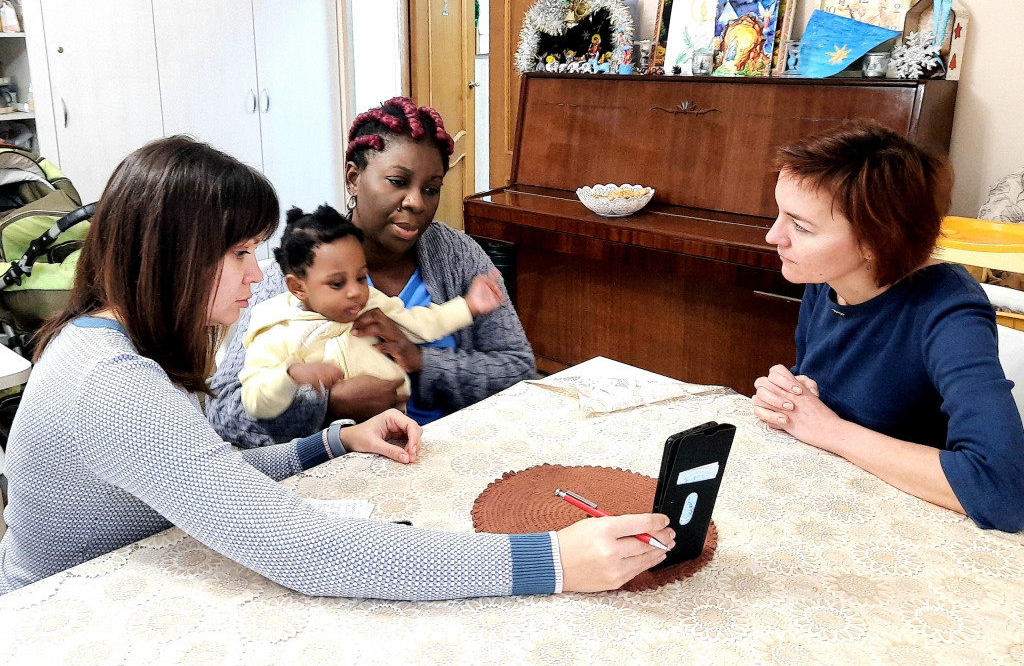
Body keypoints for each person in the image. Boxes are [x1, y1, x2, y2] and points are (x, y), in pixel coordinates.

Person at [0, 136, 674, 598]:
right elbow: (304, 550)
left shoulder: (104, 345)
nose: (254, 274)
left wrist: (332, 441)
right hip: (56, 621)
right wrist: (554, 561)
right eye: (239, 254)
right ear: (174, 257)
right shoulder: (112, 386)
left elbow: (197, 474)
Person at [208, 97, 536, 447]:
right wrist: (328, 406)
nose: (417, 202)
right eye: (398, 181)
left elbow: (518, 369)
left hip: (451, 454)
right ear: (353, 178)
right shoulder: (294, 275)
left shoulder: (458, 256)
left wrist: (421, 361)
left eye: (431, 188)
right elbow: (224, 414)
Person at [752, 122, 1024, 532]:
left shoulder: (950, 311)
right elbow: (834, 389)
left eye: (800, 226)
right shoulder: (828, 279)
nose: (774, 236)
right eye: (780, 215)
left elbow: (1002, 491)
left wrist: (829, 430)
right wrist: (790, 396)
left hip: (918, 529)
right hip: (840, 501)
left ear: (875, 241)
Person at [240, 204, 504, 419]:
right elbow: (255, 401)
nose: (355, 291)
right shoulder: (276, 330)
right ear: (298, 287)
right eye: (337, 283)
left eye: (361, 277)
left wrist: (468, 306)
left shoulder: (371, 305)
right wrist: (291, 375)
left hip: (399, 423)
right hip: (334, 447)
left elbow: (420, 323)